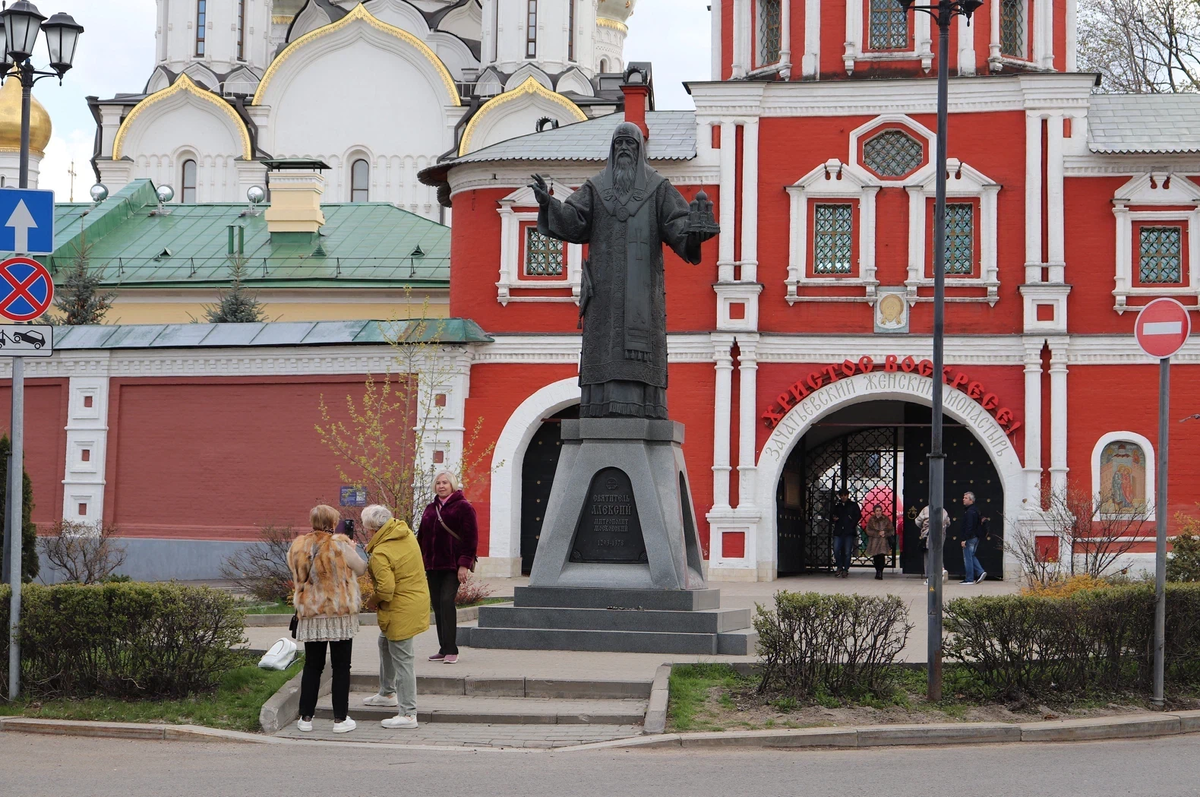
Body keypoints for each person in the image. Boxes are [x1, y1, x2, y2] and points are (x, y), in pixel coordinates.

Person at [530, 122, 718, 419]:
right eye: (619, 144)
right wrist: (548, 202)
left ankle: (644, 411)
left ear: (640, 149)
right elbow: (574, 220)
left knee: (641, 352)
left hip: (643, 295)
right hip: (603, 295)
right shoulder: (596, 187)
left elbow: (678, 227)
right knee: (602, 349)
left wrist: (694, 234)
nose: (624, 149)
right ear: (611, 149)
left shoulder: (658, 188)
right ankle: (599, 410)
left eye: (630, 144)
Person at [289, 504, 367, 734]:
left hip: (311, 613)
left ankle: (305, 718)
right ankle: (340, 720)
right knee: (342, 666)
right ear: (333, 523)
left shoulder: (299, 545)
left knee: (313, 666)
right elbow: (361, 568)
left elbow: (296, 574)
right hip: (338, 611)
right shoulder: (340, 544)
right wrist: (352, 549)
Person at [360, 504, 430, 730]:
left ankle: (409, 713)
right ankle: (387, 692)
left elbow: (386, 590)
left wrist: (370, 602)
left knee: (403, 658)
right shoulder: (405, 532)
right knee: (385, 643)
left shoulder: (381, 553)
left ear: (371, 528)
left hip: (400, 607)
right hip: (416, 599)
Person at [418, 471, 478, 664]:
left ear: (452, 485)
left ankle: (452, 649)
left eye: (445, 483)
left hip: (453, 565)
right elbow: (421, 538)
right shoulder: (429, 509)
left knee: (446, 601)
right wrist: (420, 561)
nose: (441, 486)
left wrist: (464, 565)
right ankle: (443, 648)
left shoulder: (463, 507)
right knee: (437, 605)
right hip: (432, 566)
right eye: (438, 483)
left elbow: (471, 539)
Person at [916, 504, 950, 586]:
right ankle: (941, 570)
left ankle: (930, 577)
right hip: (941, 534)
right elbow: (948, 522)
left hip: (929, 534)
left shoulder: (926, 509)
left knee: (929, 555)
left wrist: (924, 527)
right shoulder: (943, 510)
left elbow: (918, 521)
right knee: (938, 553)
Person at [831, 488, 861, 578]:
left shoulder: (853, 505)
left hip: (849, 531)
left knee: (848, 552)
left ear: (847, 495)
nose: (843, 497)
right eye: (842, 495)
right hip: (839, 531)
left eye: (845, 495)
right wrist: (834, 518)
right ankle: (839, 566)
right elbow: (832, 515)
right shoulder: (837, 506)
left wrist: (852, 524)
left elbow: (858, 515)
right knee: (836, 550)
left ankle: (845, 569)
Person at [959, 491, 988, 584]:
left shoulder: (970, 512)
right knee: (971, 556)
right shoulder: (975, 510)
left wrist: (964, 539)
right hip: (975, 537)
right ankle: (980, 571)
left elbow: (969, 526)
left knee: (967, 557)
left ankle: (969, 578)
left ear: (971, 500)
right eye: (964, 497)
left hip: (970, 537)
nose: (963, 499)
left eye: (966, 498)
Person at [864, 504, 894, 580]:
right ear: (874, 511)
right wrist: (877, 533)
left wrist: (885, 533)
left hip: (883, 541)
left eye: (880, 510)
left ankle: (880, 572)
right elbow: (868, 530)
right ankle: (877, 571)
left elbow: (891, 530)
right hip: (874, 541)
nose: (878, 512)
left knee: (881, 556)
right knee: (876, 557)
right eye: (877, 511)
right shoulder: (871, 520)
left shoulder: (886, 519)